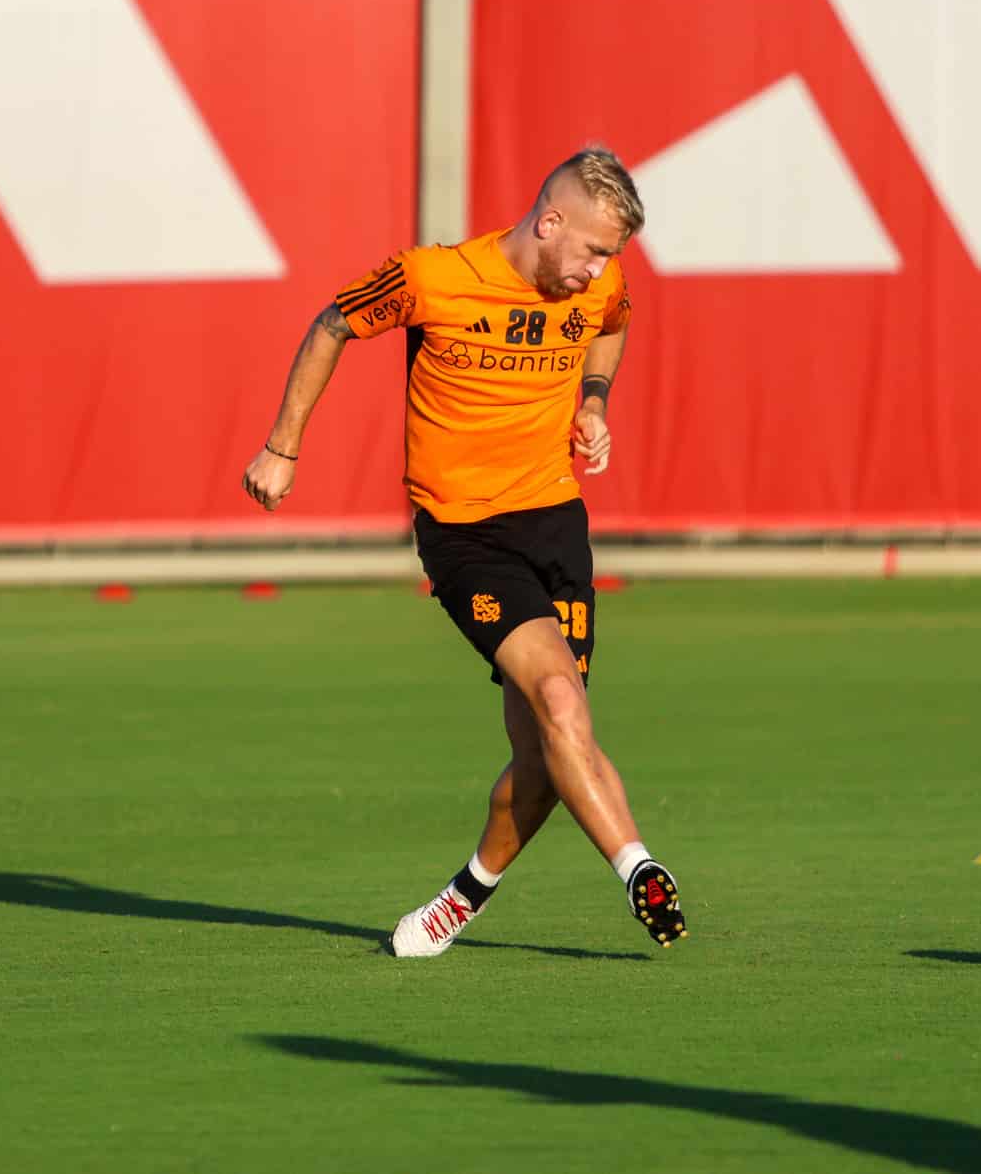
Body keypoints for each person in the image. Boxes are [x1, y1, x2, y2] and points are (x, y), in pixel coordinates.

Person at [240, 146, 685, 957]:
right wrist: (283, 446)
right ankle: (639, 868)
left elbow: (613, 325)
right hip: (466, 534)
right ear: (549, 223)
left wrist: (592, 399)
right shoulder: (434, 278)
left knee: (551, 755)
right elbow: (334, 323)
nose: (597, 272)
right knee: (559, 703)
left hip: (555, 521)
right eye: (590, 250)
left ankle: (463, 896)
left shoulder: (601, 286)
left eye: (609, 258)